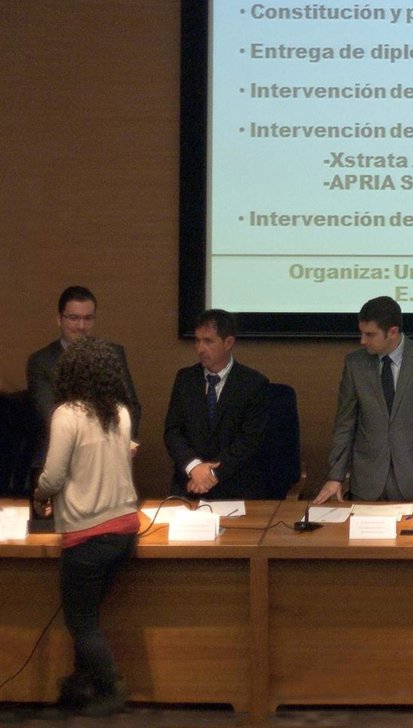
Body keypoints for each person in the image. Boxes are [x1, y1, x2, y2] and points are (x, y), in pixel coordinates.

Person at [33, 336, 139, 717]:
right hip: (125, 530)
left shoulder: (67, 415)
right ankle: (81, 683)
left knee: (79, 620)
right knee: (89, 614)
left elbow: (53, 476)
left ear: (70, 373)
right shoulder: (120, 413)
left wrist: (41, 494)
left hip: (88, 535)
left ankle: (111, 687)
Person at [313, 295, 413, 504]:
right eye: (362, 333)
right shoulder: (355, 364)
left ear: (392, 332)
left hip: (412, 481)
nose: (363, 341)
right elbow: (345, 424)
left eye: (370, 335)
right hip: (367, 481)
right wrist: (336, 476)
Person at [163, 309, 270, 500]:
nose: (200, 348)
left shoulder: (253, 384)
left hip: (234, 486)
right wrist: (194, 467)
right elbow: (173, 432)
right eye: (197, 341)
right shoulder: (185, 379)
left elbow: (249, 440)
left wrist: (210, 474)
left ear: (228, 343)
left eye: (208, 341)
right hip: (189, 483)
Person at [26, 285, 141, 462]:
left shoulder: (113, 353)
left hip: (111, 453)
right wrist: (92, 446)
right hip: (63, 454)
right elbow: (50, 414)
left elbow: (130, 404)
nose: (81, 326)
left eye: (88, 318)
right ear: (59, 319)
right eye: (73, 318)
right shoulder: (41, 361)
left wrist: (127, 441)